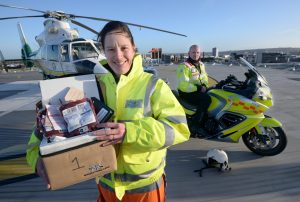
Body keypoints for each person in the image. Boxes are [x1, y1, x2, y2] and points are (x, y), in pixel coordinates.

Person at [26, 21, 190, 202]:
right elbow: (47, 125)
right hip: (106, 185)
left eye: (124, 48)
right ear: (103, 51)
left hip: (144, 187)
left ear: (134, 48)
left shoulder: (154, 86)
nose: (118, 56)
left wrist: (130, 132)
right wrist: (36, 159)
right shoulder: (88, 85)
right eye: (111, 49)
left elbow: (179, 129)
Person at [176, 45, 211, 135]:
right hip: (186, 93)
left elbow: (205, 78)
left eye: (197, 52)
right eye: (193, 52)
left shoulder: (201, 65)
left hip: (198, 91)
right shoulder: (184, 66)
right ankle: (195, 126)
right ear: (189, 53)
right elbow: (183, 85)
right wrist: (199, 88)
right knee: (206, 99)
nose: (196, 54)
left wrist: (205, 86)